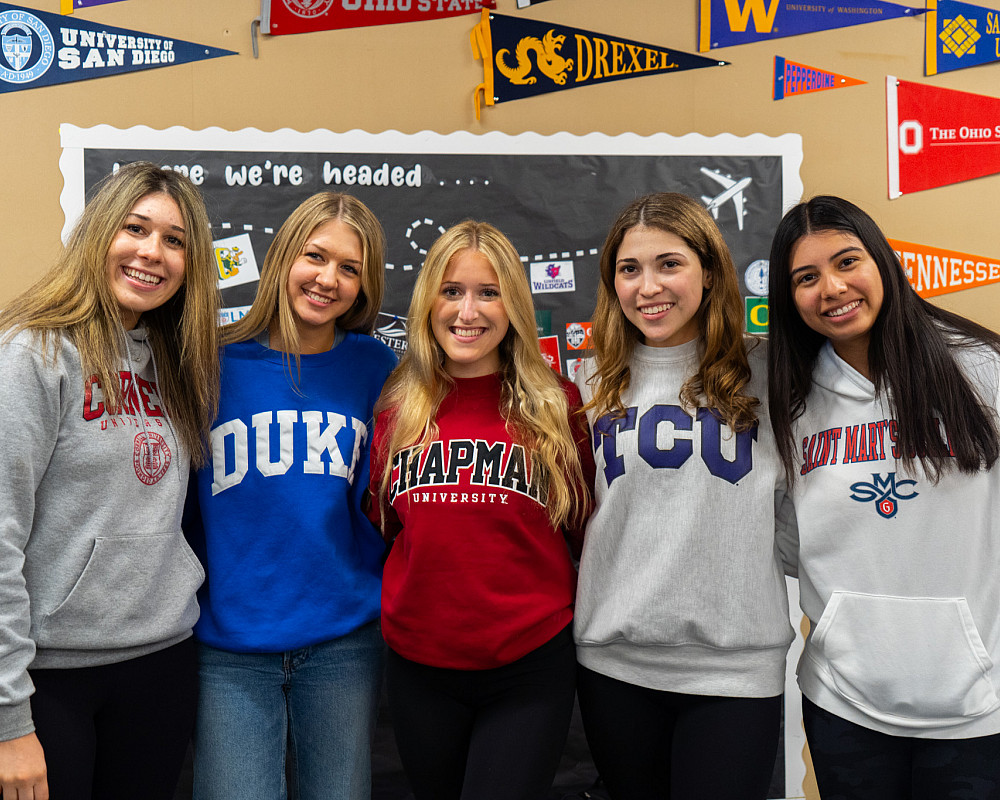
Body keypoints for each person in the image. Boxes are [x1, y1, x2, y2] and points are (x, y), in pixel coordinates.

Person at [767, 195, 1000, 799]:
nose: (833, 288)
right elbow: (790, 542)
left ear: (883, 262)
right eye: (806, 278)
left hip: (981, 705)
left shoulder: (979, 369)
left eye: (847, 262)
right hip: (845, 702)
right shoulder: (789, 400)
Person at [0, 161, 220, 800]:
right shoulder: (34, 354)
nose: (153, 253)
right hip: (51, 678)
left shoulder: (178, 363)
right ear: (100, 234)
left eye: (175, 241)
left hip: (161, 663)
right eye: (136, 228)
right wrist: (8, 717)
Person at [573, 193, 794, 799]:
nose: (648, 287)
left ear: (710, 270)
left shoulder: (772, 375)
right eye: (629, 269)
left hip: (735, 671)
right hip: (614, 665)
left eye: (669, 263)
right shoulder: (589, 382)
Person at [369, 220, 594, 800]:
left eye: (488, 292)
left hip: (528, 666)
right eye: (452, 291)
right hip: (420, 666)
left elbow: (583, 529)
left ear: (513, 304)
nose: (468, 311)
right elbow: (384, 526)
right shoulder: (397, 407)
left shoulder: (556, 406)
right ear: (428, 302)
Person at [185, 193, 396, 800]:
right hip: (228, 644)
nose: (328, 279)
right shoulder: (210, 362)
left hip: (343, 639)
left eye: (349, 268)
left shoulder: (375, 367)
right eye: (315, 256)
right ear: (282, 258)